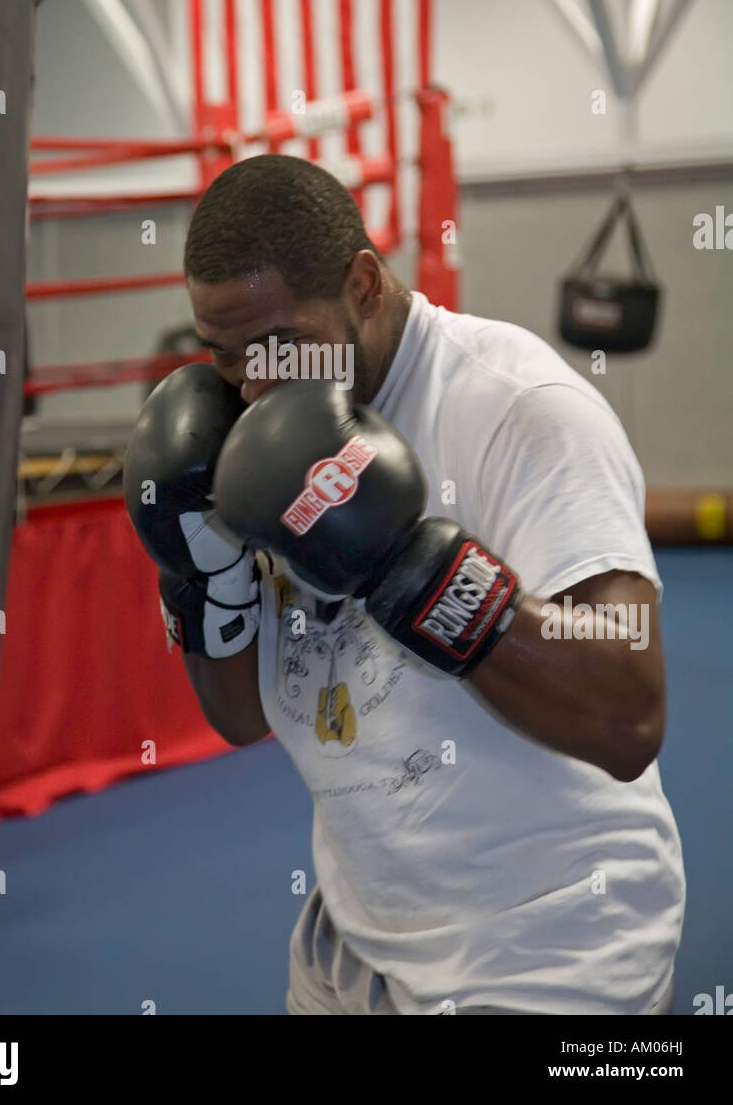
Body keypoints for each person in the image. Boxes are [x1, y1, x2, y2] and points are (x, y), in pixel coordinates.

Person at [124, 153, 685, 1016]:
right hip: (352, 944)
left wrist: (410, 566)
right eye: (227, 354)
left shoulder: (520, 408)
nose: (257, 380)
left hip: (551, 945)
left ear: (363, 286)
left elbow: (629, 716)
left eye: (281, 345)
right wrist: (203, 580)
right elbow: (238, 719)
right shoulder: (248, 431)